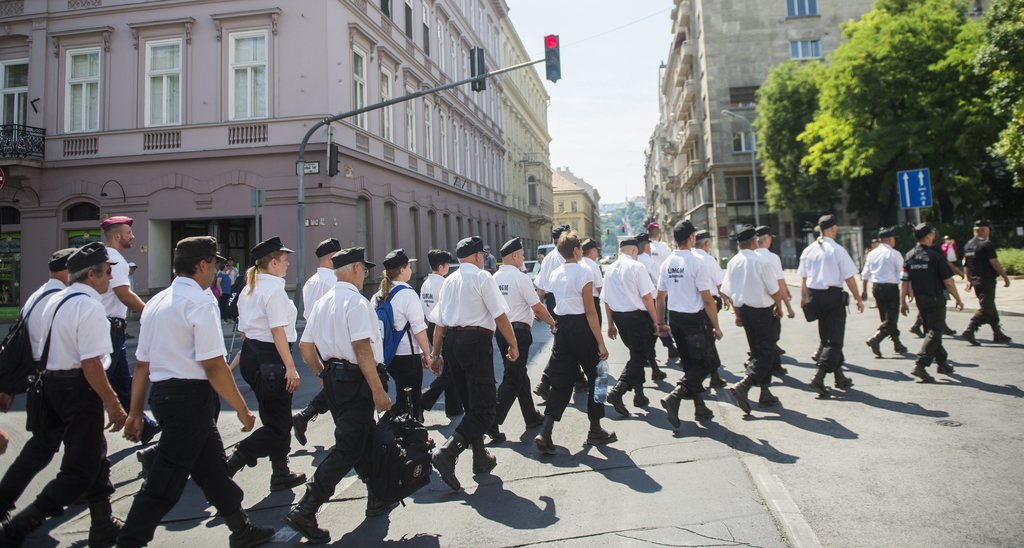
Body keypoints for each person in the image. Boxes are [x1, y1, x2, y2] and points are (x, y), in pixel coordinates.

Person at [116, 237, 272, 548]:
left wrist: (135, 412)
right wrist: (241, 407)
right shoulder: (201, 301)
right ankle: (130, 541)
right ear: (201, 266)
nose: (216, 270)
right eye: (214, 264)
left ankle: (241, 529)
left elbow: (143, 366)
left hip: (164, 396)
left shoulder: (157, 302)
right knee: (165, 482)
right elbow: (214, 365)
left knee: (213, 469)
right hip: (190, 399)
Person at [0, 242, 127, 547]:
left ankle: (102, 523)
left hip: (49, 387)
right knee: (79, 472)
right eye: (108, 272)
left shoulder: (56, 301)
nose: (110, 278)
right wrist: (114, 404)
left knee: (84, 454)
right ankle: (21, 524)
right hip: (78, 391)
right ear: (92, 275)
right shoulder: (90, 306)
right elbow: (92, 364)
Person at [285, 247, 396, 543]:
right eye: (364, 269)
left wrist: (323, 374)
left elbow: (306, 348)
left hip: (335, 378)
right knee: (349, 445)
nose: (366, 275)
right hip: (358, 380)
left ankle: (377, 497)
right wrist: (378, 391)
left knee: (364, 438)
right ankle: (306, 508)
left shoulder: (322, 302)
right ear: (356, 269)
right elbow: (363, 352)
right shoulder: (357, 304)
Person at [428, 236, 518, 492]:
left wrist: (436, 355)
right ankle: (448, 453)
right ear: (479, 256)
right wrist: (513, 344)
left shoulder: (449, 281)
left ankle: (480, 458)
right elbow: (500, 316)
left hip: (452, 343)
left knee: (471, 404)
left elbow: (440, 324)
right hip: (475, 341)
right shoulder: (482, 277)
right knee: (486, 408)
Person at [0, 248, 75, 524]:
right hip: (56, 383)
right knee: (46, 447)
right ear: (67, 271)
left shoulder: (37, 295)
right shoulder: (58, 299)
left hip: (40, 382)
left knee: (74, 446)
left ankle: (93, 498)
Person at [229, 236, 305, 491]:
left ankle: (280, 472)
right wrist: (291, 367)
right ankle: (237, 458)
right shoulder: (272, 289)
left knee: (276, 417)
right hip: (271, 360)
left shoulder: (249, 288)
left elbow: (245, 333)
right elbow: (277, 331)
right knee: (278, 424)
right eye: (284, 261)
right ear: (272, 263)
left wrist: (238, 364)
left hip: (254, 357)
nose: (287, 265)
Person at [534, 231, 615, 454]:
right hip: (581, 328)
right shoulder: (585, 270)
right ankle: (596, 428)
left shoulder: (556, 273)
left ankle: (546, 430)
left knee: (561, 379)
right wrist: (601, 343)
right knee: (598, 377)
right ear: (577, 250)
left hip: (562, 328)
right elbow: (590, 311)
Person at [657, 221, 723, 428]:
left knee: (689, 365)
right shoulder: (697, 262)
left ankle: (700, 406)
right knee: (703, 366)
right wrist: (717, 325)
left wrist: (661, 323)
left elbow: (660, 298)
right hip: (694, 319)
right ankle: (675, 397)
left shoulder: (667, 262)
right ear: (692, 238)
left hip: (675, 318)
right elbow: (707, 299)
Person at [99, 216, 159, 443]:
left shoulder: (103, 256)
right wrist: (151, 314)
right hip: (109, 328)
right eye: (129, 233)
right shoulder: (115, 260)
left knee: (122, 381)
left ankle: (144, 425)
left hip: (111, 327)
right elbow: (124, 294)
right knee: (99, 382)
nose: (133, 237)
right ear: (117, 236)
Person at [488, 238, 553, 445]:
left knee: (519, 373)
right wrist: (552, 322)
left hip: (501, 331)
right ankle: (492, 419)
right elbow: (537, 307)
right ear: (514, 256)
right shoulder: (520, 278)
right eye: (522, 255)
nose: (524, 258)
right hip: (518, 332)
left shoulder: (494, 278)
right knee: (513, 376)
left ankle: (530, 416)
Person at [719, 226, 784, 415]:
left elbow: (728, 291)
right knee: (767, 352)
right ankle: (744, 385)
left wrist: (738, 313)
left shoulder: (733, 262)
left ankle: (765, 391)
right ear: (754, 241)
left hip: (745, 311)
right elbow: (774, 290)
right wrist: (779, 307)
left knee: (757, 351)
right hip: (762, 311)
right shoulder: (761, 261)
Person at [798, 214, 864, 398]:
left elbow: (803, 277)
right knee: (834, 341)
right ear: (833, 229)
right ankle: (819, 376)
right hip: (833, 298)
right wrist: (858, 298)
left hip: (815, 296)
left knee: (826, 336)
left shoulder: (809, 250)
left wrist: (804, 298)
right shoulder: (837, 250)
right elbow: (849, 277)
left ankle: (839, 376)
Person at [291, 237, 343, 445]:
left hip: (315, 339)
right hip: (332, 339)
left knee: (333, 385)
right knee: (341, 385)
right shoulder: (334, 281)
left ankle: (304, 417)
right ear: (332, 258)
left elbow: (307, 313)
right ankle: (343, 431)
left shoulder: (311, 281)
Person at [602, 236, 660, 416]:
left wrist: (610, 323)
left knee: (636, 355)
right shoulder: (637, 266)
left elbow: (606, 299)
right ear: (634, 251)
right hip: (637, 317)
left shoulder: (610, 269)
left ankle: (639, 394)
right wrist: (656, 320)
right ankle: (618, 391)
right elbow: (647, 297)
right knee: (639, 357)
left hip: (620, 317)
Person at [900, 224, 965, 382]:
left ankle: (942, 362)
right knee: (935, 332)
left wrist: (902, 302)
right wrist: (958, 298)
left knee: (931, 331)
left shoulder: (909, 256)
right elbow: (948, 281)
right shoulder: (935, 255)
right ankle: (920, 365)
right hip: (935, 298)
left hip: (920, 300)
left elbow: (904, 281)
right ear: (928, 236)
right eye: (932, 233)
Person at [373, 249, 432, 420]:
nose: (411, 270)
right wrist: (427, 354)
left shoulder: (378, 295)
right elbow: (418, 327)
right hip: (408, 354)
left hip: (388, 355)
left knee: (402, 396)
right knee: (410, 400)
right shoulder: (408, 294)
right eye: (409, 267)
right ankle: (394, 429)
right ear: (401, 270)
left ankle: (395, 430)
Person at [419, 249, 464, 418]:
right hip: (443, 328)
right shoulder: (444, 283)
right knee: (450, 371)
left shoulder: (425, 284)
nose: (449, 267)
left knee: (449, 368)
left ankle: (454, 407)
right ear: (441, 266)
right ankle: (424, 400)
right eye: (447, 264)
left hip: (431, 325)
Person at [962, 220, 1012, 345]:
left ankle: (998, 334)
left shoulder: (968, 245)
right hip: (987, 280)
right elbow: (994, 261)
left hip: (976, 281)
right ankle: (970, 329)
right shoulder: (986, 244)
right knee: (986, 309)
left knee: (991, 308)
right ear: (985, 230)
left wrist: (968, 280)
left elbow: (966, 265)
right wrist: (1005, 277)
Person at [755, 226, 795, 378]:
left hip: (752, 305)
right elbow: (779, 285)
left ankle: (772, 364)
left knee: (762, 336)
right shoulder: (772, 258)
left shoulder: (750, 257)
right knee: (772, 335)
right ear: (767, 239)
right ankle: (767, 365)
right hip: (770, 303)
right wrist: (788, 307)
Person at [862, 227, 908, 357]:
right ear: (889, 239)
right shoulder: (894, 254)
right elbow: (903, 274)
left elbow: (865, 273)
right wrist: (908, 289)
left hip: (877, 288)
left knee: (885, 318)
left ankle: (897, 343)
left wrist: (864, 290)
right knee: (891, 318)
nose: (894, 241)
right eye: (893, 239)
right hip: (891, 288)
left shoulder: (872, 254)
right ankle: (876, 339)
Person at [693, 230, 728, 388]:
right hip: (709, 301)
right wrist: (726, 297)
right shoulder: (708, 259)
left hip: (691, 304)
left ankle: (706, 371)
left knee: (701, 338)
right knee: (708, 337)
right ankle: (712, 374)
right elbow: (720, 284)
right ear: (706, 244)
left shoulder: (688, 257)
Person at [635, 232, 670, 380]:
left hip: (639, 303)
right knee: (653, 332)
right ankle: (651, 365)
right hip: (652, 299)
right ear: (646, 245)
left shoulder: (635, 260)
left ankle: (653, 365)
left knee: (648, 335)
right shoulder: (647, 261)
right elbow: (658, 280)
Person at [535, 225, 570, 319]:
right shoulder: (569, 256)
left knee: (558, 330)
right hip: (566, 300)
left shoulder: (547, 258)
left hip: (552, 301)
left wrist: (539, 311)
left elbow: (540, 287)